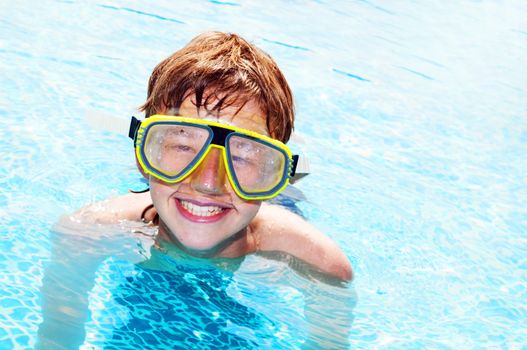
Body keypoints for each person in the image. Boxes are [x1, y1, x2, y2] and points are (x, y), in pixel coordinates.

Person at [75, 31, 352, 281]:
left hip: (271, 204)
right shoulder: (86, 233)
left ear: (274, 174)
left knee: (284, 197)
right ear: (143, 155)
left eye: (242, 155)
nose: (208, 183)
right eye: (183, 146)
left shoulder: (321, 265)